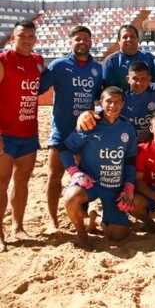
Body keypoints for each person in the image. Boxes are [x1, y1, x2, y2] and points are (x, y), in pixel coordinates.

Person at [38, 25, 103, 234]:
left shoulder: (97, 68)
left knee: (83, 176)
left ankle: (83, 214)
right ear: (70, 42)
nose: (82, 42)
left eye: (86, 38)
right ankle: (52, 220)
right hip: (61, 131)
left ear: (91, 42)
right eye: (77, 38)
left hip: (85, 132)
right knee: (54, 175)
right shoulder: (58, 65)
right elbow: (38, 87)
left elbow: (100, 97)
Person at [60, 87, 137, 250]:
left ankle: (95, 219)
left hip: (114, 188)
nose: (112, 105)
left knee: (118, 236)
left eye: (117, 102)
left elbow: (130, 160)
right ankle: (81, 233)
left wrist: (129, 186)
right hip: (90, 184)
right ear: (100, 102)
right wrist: (74, 172)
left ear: (123, 104)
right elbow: (65, 149)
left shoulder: (127, 128)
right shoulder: (90, 124)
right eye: (108, 101)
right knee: (71, 197)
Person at [0, 20, 44, 251]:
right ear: (12, 38)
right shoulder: (4, 61)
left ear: (35, 39)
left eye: (30, 36)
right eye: (21, 36)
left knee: (22, 183)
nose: (26, 40)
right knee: (1, 183)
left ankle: (17, 226)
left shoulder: (37, 61)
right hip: (4, 133)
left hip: (29, 131)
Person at [102, 24, 155, 90]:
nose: (129, 39)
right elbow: (109, 90)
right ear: (119, 41)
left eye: (132, 36)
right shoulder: (110, 61)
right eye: (125, 37)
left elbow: (154, 83)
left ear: (137, 39)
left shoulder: (149, 58)